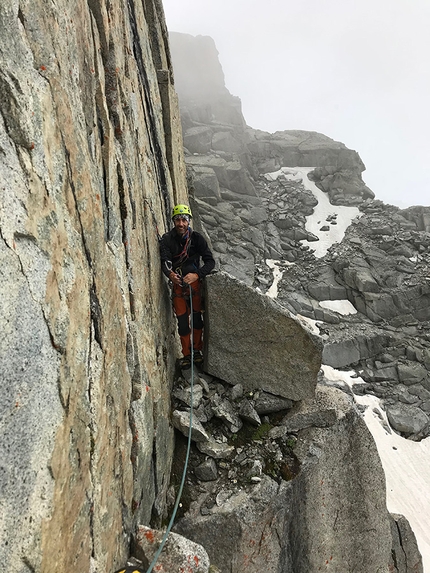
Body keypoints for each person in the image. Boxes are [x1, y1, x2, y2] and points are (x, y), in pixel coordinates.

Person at [160, 204, 215, 369]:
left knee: (197, 320)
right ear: (173, 221)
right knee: (183, 323)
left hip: (194, 285)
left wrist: (197, 275)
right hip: (179, 287)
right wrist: (170, 274)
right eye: (178, 220)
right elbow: (165, 260)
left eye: (184, 220)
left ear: (189, 221)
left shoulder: (197, 239)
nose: (181, 224)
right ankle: (187, 354)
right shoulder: (167, 239)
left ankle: (197, 352)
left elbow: (210, 261)